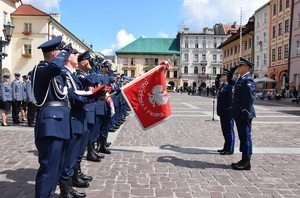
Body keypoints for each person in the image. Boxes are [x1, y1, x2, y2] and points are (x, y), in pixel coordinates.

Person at [32, 35, 72, 198]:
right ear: (55, 54)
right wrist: (65, 53)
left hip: (60, 124)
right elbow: (55, 67)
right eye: (61, 52)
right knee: (48, 168)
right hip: (50, 125)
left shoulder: (56, 74)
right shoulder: (41, 70)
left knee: (56, 167)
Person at [58, 43, 89, 198]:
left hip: (78, 118)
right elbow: (72, 96)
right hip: (72, 118)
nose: (77, 56)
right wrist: (89, 97)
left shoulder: (72, 74)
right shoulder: (64, 72)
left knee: (75, 153)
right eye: (74, 54)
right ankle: (65, 189)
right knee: (69, 156)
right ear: (67, 57)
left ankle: (70, 185)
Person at [228, 57, 256, 170]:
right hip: (238, 111)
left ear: (246, 67)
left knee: (245, 137)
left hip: (243, 113)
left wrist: (245, 113)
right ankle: (243, 159)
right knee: (242, 136)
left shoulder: (248, 80)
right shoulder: (241, 79)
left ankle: (246, 162)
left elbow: (248, 99)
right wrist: (231, 71)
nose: (238, 68)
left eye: (240, 66)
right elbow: (230, 81)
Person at [216, 68, 235, 155]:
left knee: (229, 131)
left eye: (223, 75)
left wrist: (230, 112)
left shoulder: (229, 86)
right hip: (222, 112)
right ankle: (225, 147)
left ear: (227, 76)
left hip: (228, 112)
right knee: (224, 131)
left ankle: (230, 149)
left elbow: (230, 100)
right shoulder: (222, 85)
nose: (222, 76)